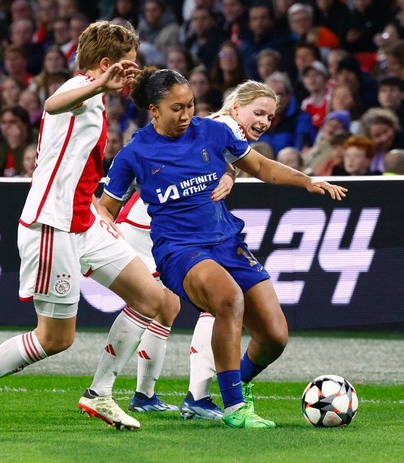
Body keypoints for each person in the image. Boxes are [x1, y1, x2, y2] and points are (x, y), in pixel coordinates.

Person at [0, 20, 166, 433]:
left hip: (84, 220)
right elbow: (51, 105)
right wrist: (98, 85)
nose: (131, 72)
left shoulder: (94, 97)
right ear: (106, 64)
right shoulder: (75, 90)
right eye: (126, 65)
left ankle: (100, 393)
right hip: (52, 226)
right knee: (56, 339)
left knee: (154, 300)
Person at [99, 67, 347, 429]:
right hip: (179, 249)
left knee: (275, 335)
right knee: (227, 299)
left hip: (227, 241)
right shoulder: (134, 153)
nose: (186, 115)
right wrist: (102, 229)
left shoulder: (212, 131)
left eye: (190, 105)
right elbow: (106, 206)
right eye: (176, 108)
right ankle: (232, 407)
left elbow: (260, 165)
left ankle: (231, 383)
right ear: (154, 110)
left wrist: (306, 181)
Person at [84, 80, 279, 421]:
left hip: (153, 227)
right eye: (258, 112)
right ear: (236, 108)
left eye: (270, 116)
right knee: (212, 304)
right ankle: (198, 396)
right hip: (152, 229)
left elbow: (222, 160)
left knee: (168, 306)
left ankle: (144, 394)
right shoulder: (220, 125)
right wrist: (231, 174)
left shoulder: (206, 125)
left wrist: (229, 174)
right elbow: (227, 156)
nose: (263, 121)